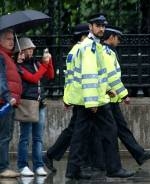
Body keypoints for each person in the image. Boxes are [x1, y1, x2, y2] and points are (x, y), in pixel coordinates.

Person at [63, 13, 134, 179]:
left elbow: (106, 75)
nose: (101, 28)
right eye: (98, 25)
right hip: (94, 101)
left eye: (103, 26)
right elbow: (88, 77)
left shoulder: (95, 46)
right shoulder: (90, 48)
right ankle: (114, 168)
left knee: (79, 135)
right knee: (110, 131)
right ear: (90, 27)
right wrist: (92, 103)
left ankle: (73, 171)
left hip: (90, 99)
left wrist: (120, 93)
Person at [102, 25, 150, 166]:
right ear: (111, 37)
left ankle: (139, 154)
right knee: (108, 131)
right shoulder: (106, 53)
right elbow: (112, 77)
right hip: (107, 98)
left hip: (111, 98)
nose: (119, 41)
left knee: (120, 128)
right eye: (118, 38)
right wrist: (124, 94)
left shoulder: (110, 52)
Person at [43, 23, 90, 173]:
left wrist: (68, 97)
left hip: (77, 96)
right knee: (78, 131)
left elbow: (69, 77)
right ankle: (78, 165)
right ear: (83, 36)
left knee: (74, 130)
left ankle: (52, 155)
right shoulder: (81, 50)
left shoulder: (73, 50)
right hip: (83, 97)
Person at [14, 37, 54, 176]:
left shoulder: (37, 63)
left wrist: (49, 62)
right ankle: (22, 165)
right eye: (28, 49)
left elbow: (50, 75)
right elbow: (33, 78)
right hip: (27, 105)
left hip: (39, 104)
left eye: (32, 49)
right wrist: (44, 65)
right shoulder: (18, 66)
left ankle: (38, 165)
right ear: (21, 50)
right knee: (25, 137)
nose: (31, 51)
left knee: (38, 137)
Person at [0, 29, 22, 178]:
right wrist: (8, 97)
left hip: (8, 102)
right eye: (8, 39)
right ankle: (3, 168)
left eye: (13, 39)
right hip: (4, 103)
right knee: (4, 136)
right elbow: (0, 80)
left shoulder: (7, 57)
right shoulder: (1, 56)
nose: (12, 41)